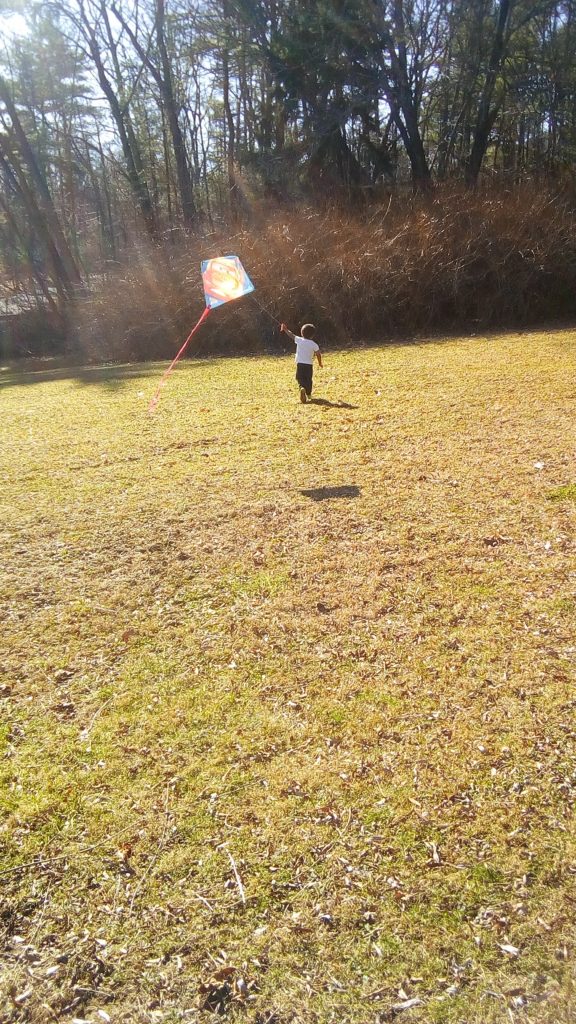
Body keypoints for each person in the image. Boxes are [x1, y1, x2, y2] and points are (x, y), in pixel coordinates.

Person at [280, 322, 323, 403]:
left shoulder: (299, 340)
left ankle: (301, 388)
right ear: (312, 335)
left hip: (300, 364)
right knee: (308, 379)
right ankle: (309, 394)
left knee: (300, 378)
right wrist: (320, 363)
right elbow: (318, 354)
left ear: (301, 333)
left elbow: (291, 335)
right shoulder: (314, 344)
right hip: (309, 365)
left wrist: (285, 329)